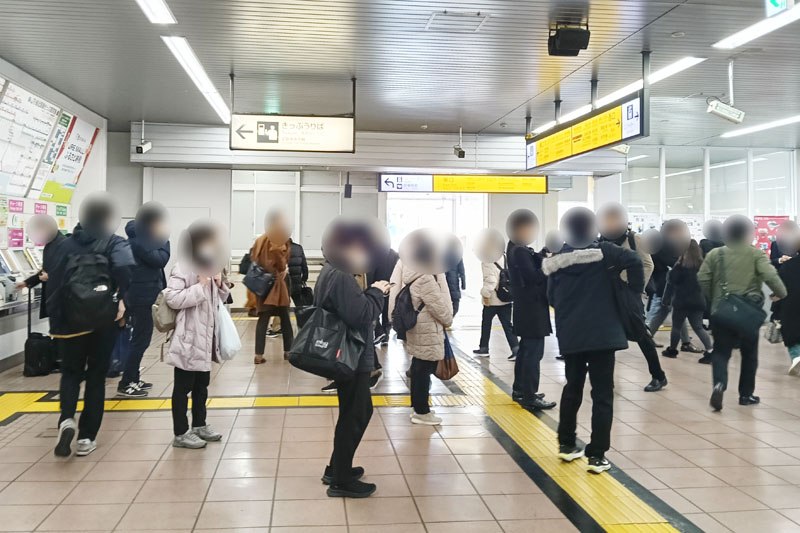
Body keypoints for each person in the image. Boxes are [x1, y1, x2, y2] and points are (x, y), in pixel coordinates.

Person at [543, 207, 644, 474]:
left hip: (573, 334)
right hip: (603, 333)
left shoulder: (557, 260)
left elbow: (551, 298)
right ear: (592, 228)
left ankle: (566, 445)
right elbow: (635, 261)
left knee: (572, 387)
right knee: (602, 394)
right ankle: (597, 456)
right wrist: (633, 291)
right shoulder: (606, 252)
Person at [48, 193, 135, 457]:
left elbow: (52, 282)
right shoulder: (114, 242)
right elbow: (125, 268)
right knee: (97, 376)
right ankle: (86, 437)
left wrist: (57, 321)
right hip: (101, 319)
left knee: (71, 373)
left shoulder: (61, 245)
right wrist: (121, 299)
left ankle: (66, 420)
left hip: (68, 322)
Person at [316, 217, 389, 498]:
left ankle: (336, 468)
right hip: (352, 355)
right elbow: (361, 314)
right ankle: (341, 479)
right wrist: (376, 292)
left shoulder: (332, 269)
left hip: (347, 353)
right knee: (356, 413)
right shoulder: (341, 275)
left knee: (352, 412)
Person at [698, 215, 786, 411]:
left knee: (721, 352)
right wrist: (780, 294)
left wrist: (715, 299)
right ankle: (746, 395)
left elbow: (702, 278)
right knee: (749, 355)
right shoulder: (755, 254)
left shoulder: (715, 254)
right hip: (748, 313)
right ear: (748, 233)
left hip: (721, 312)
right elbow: (771, 275)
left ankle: (719, 385)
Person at [164, 221, 229, 449]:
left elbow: (218, 300)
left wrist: (221, 284)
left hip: (206, 337)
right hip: (188, 337)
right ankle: (180, 432)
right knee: (182, 387)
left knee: (202, 384)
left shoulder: (210, 265)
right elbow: (172, 298)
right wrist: (200, 286)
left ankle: (199, 424)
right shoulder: (183, 267)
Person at [597, 203, 667, 392]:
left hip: (631, 296)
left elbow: (647, 264)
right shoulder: (600, 241)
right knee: (608, 337)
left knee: (641, 335)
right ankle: (607, 381)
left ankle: (658, 376)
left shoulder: (634, 239)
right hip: (609, 296)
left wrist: (632, 287)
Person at [504, 212, 556, 410]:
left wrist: (541, 255)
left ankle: (520, 390)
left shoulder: (515, 248)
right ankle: (530, 395)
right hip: (532, 309)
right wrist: (549, 264)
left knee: (526, 351)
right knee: (533, 354)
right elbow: (533, 277)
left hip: (526, 308)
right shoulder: (519, 251)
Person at [118, 202, 170, 398]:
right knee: (140, 340)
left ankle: (133, 377)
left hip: (142, 294)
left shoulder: (141, 238)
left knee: (140, 339)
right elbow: (160, 259)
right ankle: (126, 383)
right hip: (141, 296)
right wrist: (164, 239)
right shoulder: (139, 240)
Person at [646, 220, 699, 353]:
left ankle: (649, 337)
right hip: (667, 285)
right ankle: (685, 342)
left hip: (665, 284)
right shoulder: (663, 247)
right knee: (674, 312)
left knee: (667, 312)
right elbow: (668, 264)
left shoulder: (663, 245)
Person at [252, 210, 293, 364]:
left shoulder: (260, 239)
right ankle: (288, 352)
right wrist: (283, 269)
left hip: (261, 284)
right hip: (276, 285)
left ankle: (258, 354)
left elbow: (253, 258)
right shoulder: (278, 237)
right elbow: (279, 254)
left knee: (263, 319)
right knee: (285, 318)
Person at [661, 240, 713, 361]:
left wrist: (666, 298)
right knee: (698, 327)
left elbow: (671, 281)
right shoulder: (703, 266)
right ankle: (710, 351)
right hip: (698, 301)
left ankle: (672, 350)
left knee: (677, 327)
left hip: (681, 302)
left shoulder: (679, 266)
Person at [17, 214, 66, 321]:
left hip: (63, 302)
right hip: (54, 300)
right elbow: (46, 270)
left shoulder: (64, 244)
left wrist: (50, 277)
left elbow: (70, 272)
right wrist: (27, 282)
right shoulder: (50, 245)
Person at [474, 259, 519, 358]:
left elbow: (491, 281)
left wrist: (485, 294)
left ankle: (484, 348)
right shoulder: (504, 256)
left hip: (493, 299)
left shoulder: (488, 260)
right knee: (508, 325)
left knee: (486, 323)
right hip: (506, 297)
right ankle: (516, 349)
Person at [267, 238, 310, 337]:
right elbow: (304, 265)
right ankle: (304, 327)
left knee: (282, 307)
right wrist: (304, 279)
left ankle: (277, 328)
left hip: (284, 283)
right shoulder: (298, 248)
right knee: (300, 307)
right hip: (296, 282)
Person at [778, 231, 800, 375]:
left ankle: (796, 356)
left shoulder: (788, 265)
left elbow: (779, 285)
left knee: (791, 331)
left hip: (792, 302)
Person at [367, 247, 399, 346]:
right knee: (387, 311)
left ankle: (379, 331)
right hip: (390, 285)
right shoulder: (394, 254)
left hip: (377, 286)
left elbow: (370, 271)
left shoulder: (372, 252)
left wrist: (368, 286)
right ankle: (386, 335)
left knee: (374, 309)